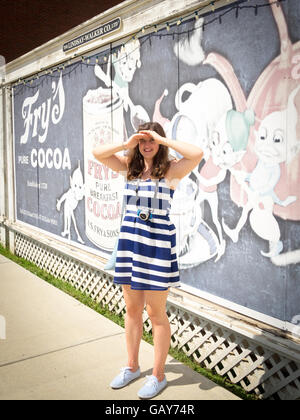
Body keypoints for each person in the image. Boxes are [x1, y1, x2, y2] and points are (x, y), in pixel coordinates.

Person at [92, 121, 203, 399]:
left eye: (151, 140)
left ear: (159, 143)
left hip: (157, 248)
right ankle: (131, 366)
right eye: (143, 141)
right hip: (130, 245)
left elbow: (197, 153)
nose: (147, 145)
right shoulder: (129, 168)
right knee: (132, 310)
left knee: (156, 313)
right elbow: (98, 153)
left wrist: (163, 140)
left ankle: (158, 375)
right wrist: (126, 143)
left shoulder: (171, 172)